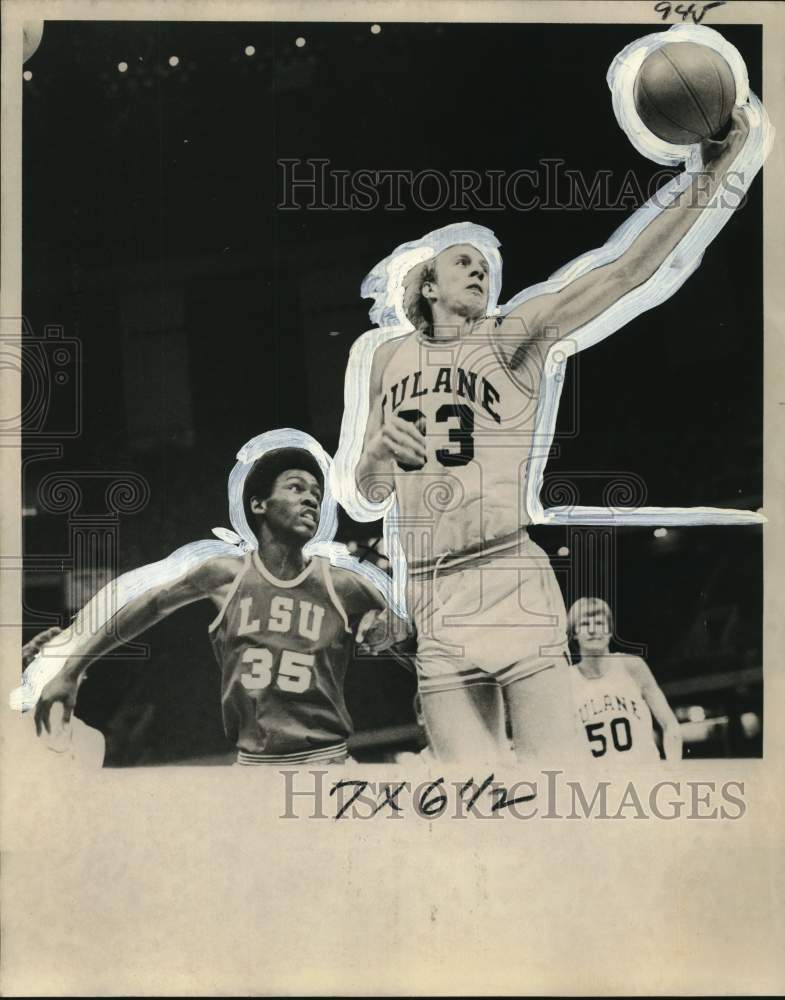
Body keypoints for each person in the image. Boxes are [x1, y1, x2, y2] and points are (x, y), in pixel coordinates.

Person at [344, 109, 752, 763]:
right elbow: (366, 490)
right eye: (463, 263)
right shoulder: (385, 360)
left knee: (553, 778)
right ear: (427, 283)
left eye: (486, 265)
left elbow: (622, 271)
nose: (482, 270)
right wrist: (373, 451)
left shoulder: (513, 337)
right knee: (472, 786)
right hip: (429, 588)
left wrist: (711, 174)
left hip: (505, 570)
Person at [27, 443, 398, 767]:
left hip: (326, 762)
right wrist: (72, 669)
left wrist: (393, 628)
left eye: (316, 492)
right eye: (296, 488)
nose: (311, 498)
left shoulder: (344, 584)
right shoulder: (225, 574)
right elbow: (152, 603)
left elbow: (412, 628)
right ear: (259, 504)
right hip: (252, 764)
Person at [568, 598, 682, 763]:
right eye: (585, 624)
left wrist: (675, 771)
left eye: (599, 623)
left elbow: (670, 725)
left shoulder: (631, 666)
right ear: (574, 633)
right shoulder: (567, 681)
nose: (593, 630)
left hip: (643, 778)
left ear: (610, 630)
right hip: (598, 784)